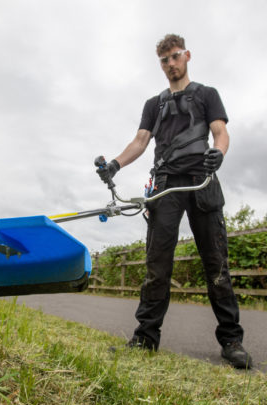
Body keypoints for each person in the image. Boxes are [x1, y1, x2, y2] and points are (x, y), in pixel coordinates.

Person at [97, 34, 252, 369]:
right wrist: (115, 164)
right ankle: (145, 338)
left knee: (217, 263)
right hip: (165, 185)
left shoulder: (207, 95)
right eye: (164, 60)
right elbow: (140, 141)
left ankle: (231, 340)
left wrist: (218, 154)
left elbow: (220, 132)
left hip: (202, 180)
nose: (170, 64)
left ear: (187, 56)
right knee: (157, 265)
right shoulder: (155, 104)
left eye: (175, 57)